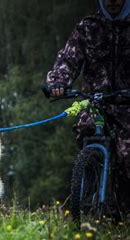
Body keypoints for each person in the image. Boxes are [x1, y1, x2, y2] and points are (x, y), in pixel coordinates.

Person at [45, 0, 130, 213]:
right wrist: (58, 82)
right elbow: (68, 59)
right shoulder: (87, 27)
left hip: (126, 105)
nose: (112, 2)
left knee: (126, 152)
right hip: (96, 102)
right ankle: (90, 190)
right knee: (86, 129)